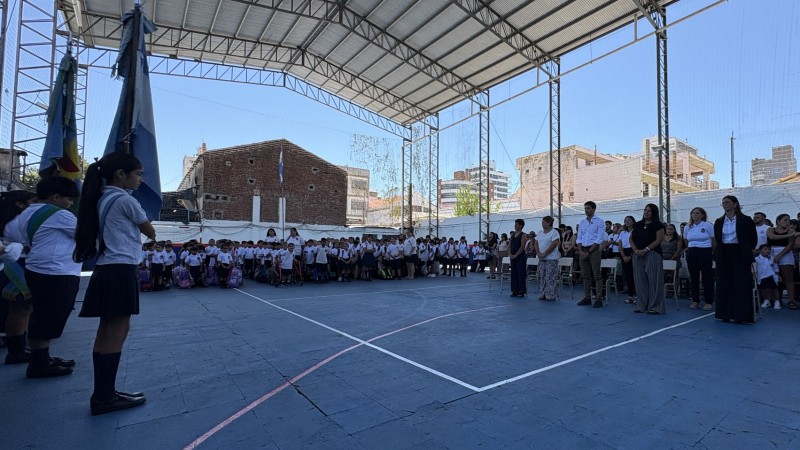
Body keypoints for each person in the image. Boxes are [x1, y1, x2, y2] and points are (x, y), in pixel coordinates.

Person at [73, 152, 155, 415]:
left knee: (108, 330)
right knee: (115, 332)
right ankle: (104, 396)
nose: (141, 180)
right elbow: (149, 230)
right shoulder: (123, 199)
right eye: (138, 174)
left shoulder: (102, 197)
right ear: (121, 174)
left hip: (107, 268)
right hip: (120, 269)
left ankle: (105, 391)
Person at [3, 177, 81, 377]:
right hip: (56, 271)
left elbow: (16, 238)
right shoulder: (59, 215)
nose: (70, 204)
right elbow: (86, 234)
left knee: (36, 313)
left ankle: (40, 357)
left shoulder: (25, 214)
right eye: (69, 199)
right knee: (48, 316)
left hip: (35, 268)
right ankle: (39, 363)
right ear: (55, 196)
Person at [0, 190, 37, 365]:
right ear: (20, 204)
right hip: (17, 266)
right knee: (20, 309)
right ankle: (16, 350)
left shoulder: (16, 220)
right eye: (32, 201)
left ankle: (21, 347)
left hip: (19, 265)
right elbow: (28, 244)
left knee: (24, 309)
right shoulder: (16, 222)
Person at [713, 195, 757, 323]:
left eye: (727, 202)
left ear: (735, 204)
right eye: (723, 203)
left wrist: (746, 250)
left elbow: (752, 239)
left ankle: (741, 315)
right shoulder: (719, 221)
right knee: (723, 283)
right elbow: (717, 237)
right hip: (724, 253)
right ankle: (724, 314)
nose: (725, 204)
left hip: (740, 253)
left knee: (741, 284)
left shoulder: (745, 220)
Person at [629, 204, 666, 314]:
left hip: (653, 253)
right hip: (637, 254)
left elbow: (659, 240)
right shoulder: (638, 225)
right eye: (645, 210)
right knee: (640, 280)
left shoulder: (658, 225)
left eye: (649, 211)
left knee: (654, 281)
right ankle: (641, 305)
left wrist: (646, 249)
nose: (646, 212)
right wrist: (635, 250)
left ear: (654, 212)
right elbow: (631, 239)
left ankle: (655, 306)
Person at [684, 207, 715, 311]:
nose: (695, 215)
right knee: (694, 277)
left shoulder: (708, 225)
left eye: (697, 213)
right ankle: (695, 300)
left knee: (707, 276)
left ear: (702, 215)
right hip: (692, 251)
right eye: (693, 213)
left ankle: (708, 301)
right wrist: (690, 249)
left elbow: (713, 239)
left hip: (705, 251)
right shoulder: (688, 226)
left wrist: (711, 251)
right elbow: (686, 240)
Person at [576, 201, 605, 307]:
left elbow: (599, 239)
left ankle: (599, 298)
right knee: (585, 275)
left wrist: (588, 252)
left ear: (593, 209)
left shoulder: (599, 221)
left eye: (588, 208)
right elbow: (579, 237)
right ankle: (587, 297)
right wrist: (580, 251)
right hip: (583, 249)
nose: (586, 210)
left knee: (597, 275)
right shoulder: (582, 222)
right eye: (585, 208)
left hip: (594, 250)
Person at [766, 214, 798, 309]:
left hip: (785, 253)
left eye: (788, 220)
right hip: (771, 252)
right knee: (771, 276)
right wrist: (790, 235)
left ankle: (791, 300)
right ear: (778, 221)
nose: (787, 222)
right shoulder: (771, 229)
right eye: (785, 220)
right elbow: (771, 237)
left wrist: (780, 255)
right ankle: (772, 298)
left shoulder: (791, 231)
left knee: (788, 278)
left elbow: (790, 245)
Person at [534, 216, 561, 301]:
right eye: (542, 222)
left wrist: (545, 253)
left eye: (544, 222)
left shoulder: (554, 232)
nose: (542, 223)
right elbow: (536, 243)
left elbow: (554, 244)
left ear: (549, 223)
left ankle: (550, 294)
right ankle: (542, 293)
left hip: (551, 259)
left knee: (551, 277)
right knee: (542, 276)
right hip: (542, 259)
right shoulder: (539, 233)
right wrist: (538, 253)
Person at [755, 244, 781, 310]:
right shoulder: (756, 259)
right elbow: (755, 269)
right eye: (765, 249)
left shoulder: (772, 259)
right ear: (760, 251)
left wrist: (777, 275)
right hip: (761, 277)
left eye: (769, 249)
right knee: (763, 289)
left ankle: (777, 302)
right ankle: (766, 301)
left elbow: (776, 268)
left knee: (775, 289)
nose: (768, 251)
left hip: (772, 276)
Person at [618, 216, 636, 304]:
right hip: (624, 253)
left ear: (633, 221)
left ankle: (637, 295)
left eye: (629, 220)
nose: (627, 222)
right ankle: (630, 296)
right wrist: (623, 256)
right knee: (628, 275)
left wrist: (631, 255)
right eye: (625, 220)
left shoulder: (636, 232)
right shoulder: (622, 233)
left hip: (633, 252)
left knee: (635, 275)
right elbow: (620, 245)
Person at [508, 219, 528, 297]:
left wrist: (516, 255)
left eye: (517, 224)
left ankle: (521, 291)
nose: (515, 226)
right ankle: (514, 290)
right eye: (515, 224)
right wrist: (510, 254)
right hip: (512, 257)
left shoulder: (523, 235)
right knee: (514, 274)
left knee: (520, 273)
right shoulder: (512, 235)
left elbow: (522, 246)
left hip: (520, 257)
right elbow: (509, 245)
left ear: (521, 226)